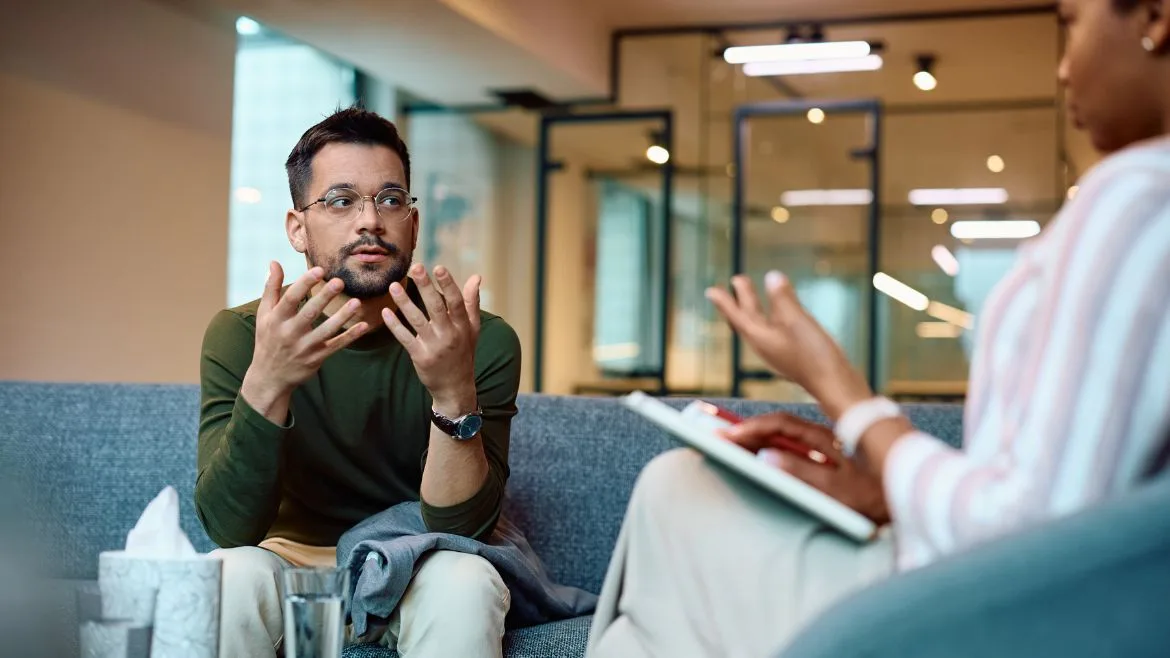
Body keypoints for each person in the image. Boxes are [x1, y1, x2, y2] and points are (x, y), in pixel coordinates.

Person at [586, 0, 1170, 655]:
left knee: (674, 492)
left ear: (1153, 16)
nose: (1063, 69)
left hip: (961, 610)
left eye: (1071, 21)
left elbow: (1026, 536)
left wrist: (844, 395)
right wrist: (883, 489)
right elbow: (1065, 498)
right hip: (985, 585)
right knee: (653, 572)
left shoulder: (1137, 201)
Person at [196, 108, 522, 658]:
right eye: (342, 201)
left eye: (391, 200)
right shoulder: (243, 334)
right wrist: (268, 382)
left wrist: (450, 392)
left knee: (466, 583)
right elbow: (229, 527)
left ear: (413, 225)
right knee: (227, 576)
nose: (370, 220)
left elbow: (464, 528)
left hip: (420, 557)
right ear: (297, 228)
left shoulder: (477, 339)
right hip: (288, 560)